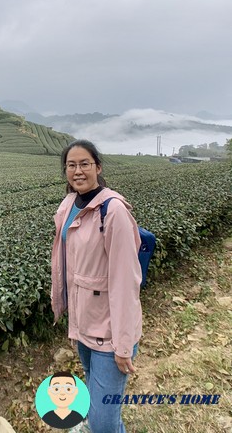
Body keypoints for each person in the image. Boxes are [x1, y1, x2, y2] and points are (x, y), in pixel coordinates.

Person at [51, 140, 142, 433]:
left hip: (110, 331)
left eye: (84, 164)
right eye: (71, 165)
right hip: (83, 323)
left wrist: (124, 344)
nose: (78, 171)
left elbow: (125, 283)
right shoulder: (68, 205)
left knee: (103, 422)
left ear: (98, 167)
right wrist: (71, 321)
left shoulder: (113, 211)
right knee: (96, 396)